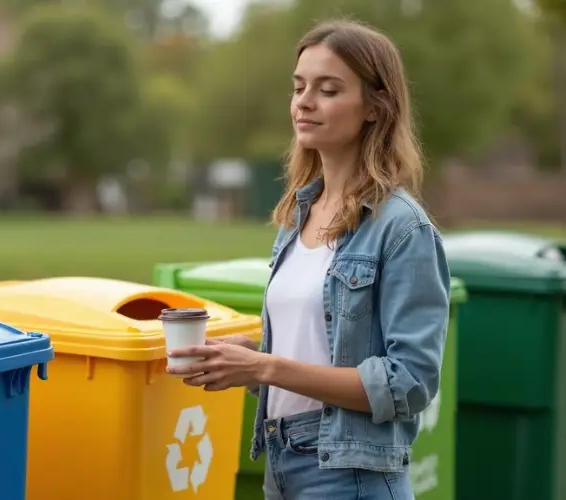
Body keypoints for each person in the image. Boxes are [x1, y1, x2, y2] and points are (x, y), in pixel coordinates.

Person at [167, 19, 451, 500]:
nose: (305, 101)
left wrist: (267, 367)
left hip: (351, 474)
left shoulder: (402, 228)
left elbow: (410, 382)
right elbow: (324, 346)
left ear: (375, 107)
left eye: (328, 89)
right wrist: (252, 356)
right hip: (282, 461)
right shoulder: (299, 213)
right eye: (299, 87)